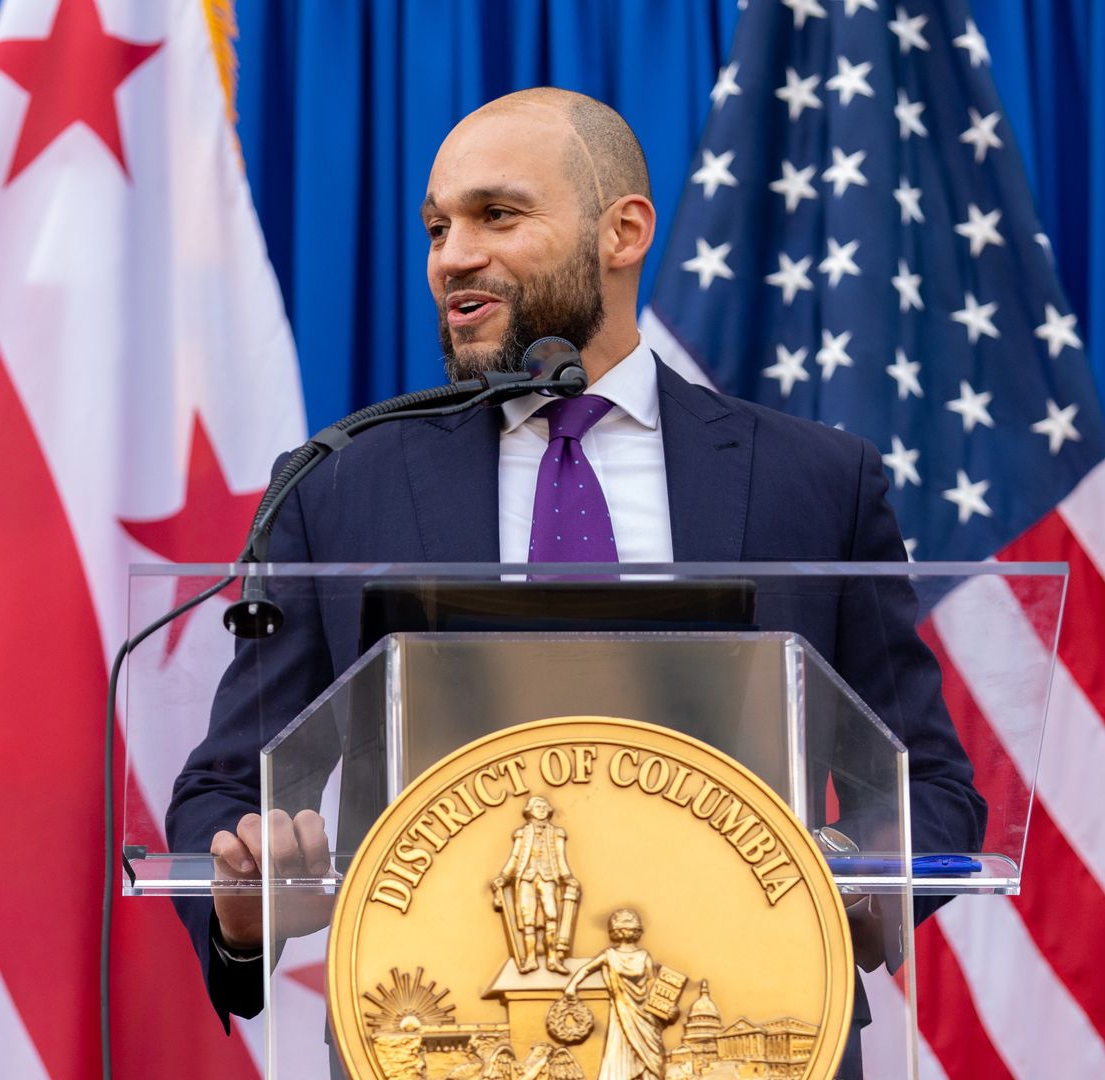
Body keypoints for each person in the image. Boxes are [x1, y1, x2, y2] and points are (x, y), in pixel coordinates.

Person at [165, 87, 986, 1079]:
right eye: (437, 227)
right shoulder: (340, 483)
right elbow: (227, 789)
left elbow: (928, 787)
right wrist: (248, 897)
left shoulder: (814, 481)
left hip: (748, 1034)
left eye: (495, 215)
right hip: (437, 1043)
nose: (451, 255)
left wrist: (836, 880)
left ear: (622, 231)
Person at [561, 909, 666, 1080]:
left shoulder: (644, 956)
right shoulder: (610, 955)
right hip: (621, 1013)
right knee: (620, 1049)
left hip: (644, 1015)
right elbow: (587, 969)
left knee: (651, 1057)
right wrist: (572, 985)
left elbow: (653, 985)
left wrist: (666, 1008)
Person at [493, 796, 579, 975]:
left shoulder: (557, 834)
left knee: (552, 916)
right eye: (537, 806)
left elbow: (560, 857)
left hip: (548, 878)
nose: (541, 809)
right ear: (529, 811)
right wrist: (503, 877)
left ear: (548, 810)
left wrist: (567, 877)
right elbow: (515, 858)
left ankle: (552, 959)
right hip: (527, 878)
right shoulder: (522, 834)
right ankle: (531, 959)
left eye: (544, 806)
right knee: (528, 919)